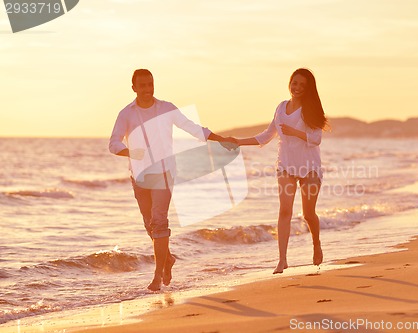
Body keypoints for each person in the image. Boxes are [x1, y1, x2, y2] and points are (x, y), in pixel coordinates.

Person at [109, 69, 233, 290]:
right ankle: (168, 259)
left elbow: (193, 128)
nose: (147, 89)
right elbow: (114, 143)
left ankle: (158, 275)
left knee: (159, 222)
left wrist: (220, 139)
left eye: (150, 84)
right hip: (139, 175)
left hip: (164, 173)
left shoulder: (167, 108)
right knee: (149, 226)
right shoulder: (126, 114)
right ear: (134, 88)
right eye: (143, 85)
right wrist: (130, 152)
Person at [229, 68, 328, 274]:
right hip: (286, 166)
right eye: (294, 83)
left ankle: (316, 244)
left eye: (302, 85)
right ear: (289, 83)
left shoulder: (311, 110)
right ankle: (282, 260)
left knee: (309, 214)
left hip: (310, 168)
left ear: (308, 88)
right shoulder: (281, 108)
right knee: (284, 210)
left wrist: (295, 132)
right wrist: (239, 141)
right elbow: (266, 136)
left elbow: (316, 139)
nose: (297, 88)